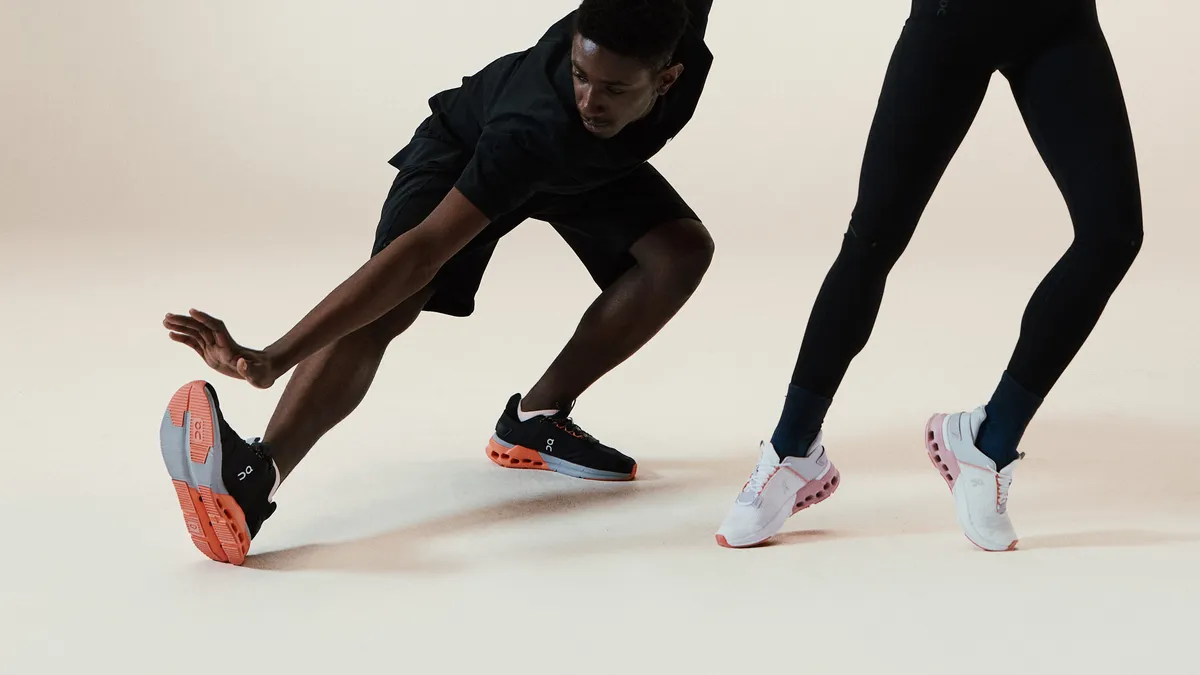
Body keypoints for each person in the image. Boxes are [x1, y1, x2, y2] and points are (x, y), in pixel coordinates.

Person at [158, 0, 716, 565]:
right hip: (471, 152)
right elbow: (420, 254)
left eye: (614, 90)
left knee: (679, 254)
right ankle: (255, 477)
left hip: (581, 169)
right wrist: (274, 357)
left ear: (669, 77)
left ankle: (533, 422)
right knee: (388, 307)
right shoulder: (534, 127)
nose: (590, 100)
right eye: (580, 75)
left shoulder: (674, 25)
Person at [716, 0, 1142, 551]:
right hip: (954, 19)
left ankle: (989, 442)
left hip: (1059, 22)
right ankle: (793, 448)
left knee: (1113, 236)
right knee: (872, 240)